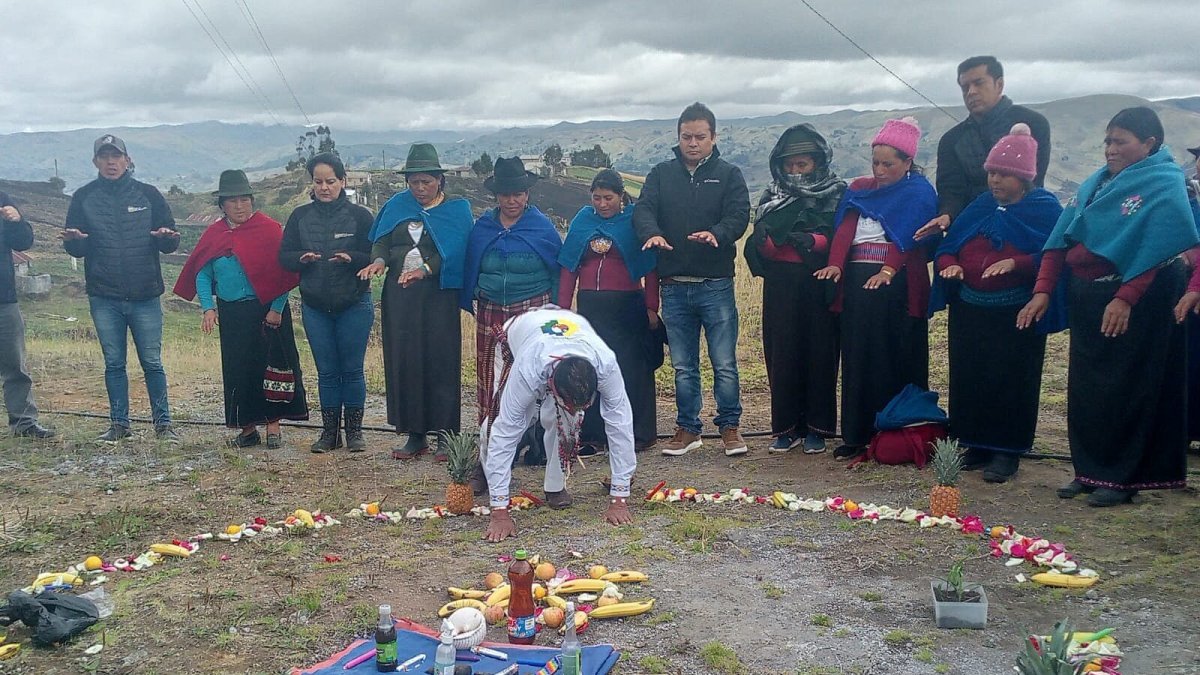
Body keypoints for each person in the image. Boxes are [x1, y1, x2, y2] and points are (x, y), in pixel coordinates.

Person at [1019, 107, 1198, 506]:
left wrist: (1125, 297)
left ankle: (1121, 477)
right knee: (1088, 387)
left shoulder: (1166, 184)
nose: (1110, 150)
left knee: (1127, 387)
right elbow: (1061, 237)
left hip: (1140, 298)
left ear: (1149, 143)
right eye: (1107, 141)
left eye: (1120, 141)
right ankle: (1089, 470)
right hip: (1089, 295)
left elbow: (1157, 246)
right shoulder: (1096, 184)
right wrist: (1044, 290)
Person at [929, 124, 1064, 483]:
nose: (995, 181)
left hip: (1015, 311)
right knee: (972, 377)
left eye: (1004, 174)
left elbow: (1053, 253)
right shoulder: (981, 205)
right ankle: (976, 444)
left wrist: (1018, 263)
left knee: (1011, 381)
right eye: (992, 172)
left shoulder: (1044, 209)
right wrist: (950, 264)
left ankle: (1007, 450)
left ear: (1024, 177)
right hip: (971, 308)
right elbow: (948, 246)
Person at [816, 117, 938, 462]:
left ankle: (896, 437)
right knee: (858, 357)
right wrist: (836, 264)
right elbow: (845, 229)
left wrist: (888, 270)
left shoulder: (919, 192)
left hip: (899, 286)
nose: (880, 170)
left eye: (889, 164)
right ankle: (856, 435)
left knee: (893, 357)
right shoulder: (860, 188)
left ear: (908, 162)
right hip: (857, 283)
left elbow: (911, 235)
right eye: (876, 162)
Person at [634, 102, 750, 457]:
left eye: (701, 137)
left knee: (724, 361)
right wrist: (652, 233)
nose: (693, 143)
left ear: (714, 138)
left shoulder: (729, 174)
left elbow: (739, 214)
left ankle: (730, 427)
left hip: (715, 284)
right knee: (683, 364)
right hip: (673, 285)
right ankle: (688, 429)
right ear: (678, 137)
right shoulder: (660, 173)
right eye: (687, 136)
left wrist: (718, 233)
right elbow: (643, 209)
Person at [173, 170, 308, 449]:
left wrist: (277, 309)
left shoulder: (269, 229)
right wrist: (208, 308)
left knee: (273, 366)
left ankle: (273, 426)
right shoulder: (215, 234)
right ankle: (247, 429)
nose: (239, 206)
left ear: (252, 200)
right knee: (239, 369)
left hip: (268, 312)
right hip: (233, 314)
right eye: (233, 201)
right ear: (222, 205)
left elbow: (284, 274)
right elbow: (202, 273)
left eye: (244, 199)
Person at [61, 134, 180, 442]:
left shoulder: (149, 194)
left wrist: (166, 237)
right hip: (104, 296)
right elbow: (76, 249)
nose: (111, 162)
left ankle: (163, 425)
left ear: (127, 160)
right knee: (114, 363)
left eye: (116, 156)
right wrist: (75, 242)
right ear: (95, 162)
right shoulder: (83, 197)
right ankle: (119, 425)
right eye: (104, 157)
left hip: (145, 294)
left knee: (152, 362)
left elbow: (171, 240)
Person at [479, 307, 635, 542]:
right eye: (570, 403)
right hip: (518, 339)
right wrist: (500, 512)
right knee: (500, 421)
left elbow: (620, 425)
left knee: (566, 420)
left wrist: (620, 498)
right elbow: (505, 430)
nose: (577, 409)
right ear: (552, 385)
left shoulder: (605, 365)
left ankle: (555, 485)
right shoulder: (527, 369)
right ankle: (486, 473)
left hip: (566, 325)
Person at [359, 143, 471, 461]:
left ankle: (445, 436)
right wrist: (379, 261)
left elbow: (455, 249)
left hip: (438, 299)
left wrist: (424, 270)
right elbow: (380, 241)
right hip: (401, 298)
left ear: (440, 180)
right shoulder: (397, 206)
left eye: (427, 181)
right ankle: (415, 434)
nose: (420, 188)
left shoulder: (456, 210)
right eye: (414, 182)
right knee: (406, 361)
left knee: (440, 361)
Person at [461, 156, 562, 490]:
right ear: (496, 196)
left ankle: (548, 464)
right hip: (491, 313)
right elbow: (471, 265)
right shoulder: (484, 228)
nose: (512, 200)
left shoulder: (541, 228)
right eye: (505, 194)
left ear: (527, 193)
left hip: (531, 312)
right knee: (490, 388)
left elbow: (557, 272)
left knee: (538, 387)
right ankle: (487, 464)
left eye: (518, 193)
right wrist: (474, 293)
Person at [744, 124, 846, 454]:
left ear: (818, 162)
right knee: (782, 353)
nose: (795, 171)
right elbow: (761, 235)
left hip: (818, 284)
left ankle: (817, 429)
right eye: (789, 165)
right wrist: (763, 245)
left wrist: (815, 242)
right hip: (781, 286)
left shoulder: (834, 193)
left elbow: (843, 237)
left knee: (820, 353)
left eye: (802, 165)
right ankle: (785, 429)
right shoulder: (771, 194)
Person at [558, 169, 660, 455]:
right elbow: (568, 266)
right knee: (590, 369)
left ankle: (639, 433)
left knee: (631, 370)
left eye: (608, 198)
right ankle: (593, 435)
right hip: (591, 307)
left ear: (621, 197)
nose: (602, 204)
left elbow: (650, 267)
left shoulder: (633, 221)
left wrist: (652, 307)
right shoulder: (582, 220)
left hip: (628, 306)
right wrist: (563, 310)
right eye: (597, 198)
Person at [279, 153, 375, 453]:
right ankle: (329, 433)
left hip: (354, 302)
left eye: (330, 181)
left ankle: (355, 432)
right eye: (318, 182)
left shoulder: (361, 217)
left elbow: (374, 254)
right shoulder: (300, 217)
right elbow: (284, 256)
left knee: (352, 369)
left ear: (342, 181)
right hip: (315, 305)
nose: (324, 187)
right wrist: (300, 259)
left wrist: (353, 259)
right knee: (327, 371)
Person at [915, 56, 1051, 240]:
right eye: (965, 87)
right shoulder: (951, 140)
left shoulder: (1034, 124)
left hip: (1024, 227)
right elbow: (951, 191)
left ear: (999, 84)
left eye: (978, 83)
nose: (971, 92)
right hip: (971, 231)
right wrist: (947, 215)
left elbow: (1033, 181)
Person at [1, 192, 53, 439]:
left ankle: (24, 423)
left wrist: (16, 221)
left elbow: (24, 241)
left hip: (4, 300)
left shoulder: (2, 198)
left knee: (15, 365)